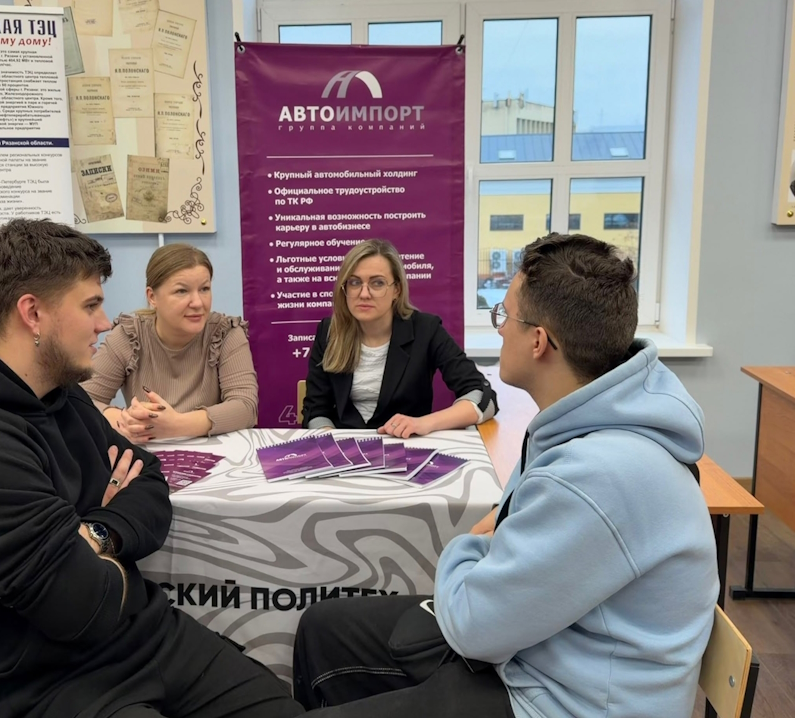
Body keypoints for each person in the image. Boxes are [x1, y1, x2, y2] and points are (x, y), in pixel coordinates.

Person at [0, 219, 302, 718]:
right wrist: (102, 536)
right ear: (33, 313)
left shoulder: (60, 396)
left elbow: (150, 483)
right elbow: (84, 605)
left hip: (139, 638)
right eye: (90, 306)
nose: (104, 323)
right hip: (29, 684)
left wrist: (93, 533)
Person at [292, 233, 718, 718]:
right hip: (540, 656)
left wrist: (470, 544)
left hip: (557, 699)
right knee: (324, 626)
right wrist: (496, 535)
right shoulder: (579, 426)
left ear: (538, 341)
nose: (499, 331)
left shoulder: (595, 476)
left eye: (505, 316)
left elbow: (473, 623)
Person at [301, 239, 496, 437]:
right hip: (344, 448)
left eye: (377, 283)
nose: (364, 294)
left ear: (397, 290)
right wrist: (330, 441)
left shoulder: (426, 330)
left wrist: (425, 423)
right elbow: (315, 410)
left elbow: (484, 398)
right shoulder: (329, 332)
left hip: (407, 446)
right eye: (355, 282)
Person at [83, 243, 257, 443]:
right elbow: (82, 400)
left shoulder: (226, 333)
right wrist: (124, 420)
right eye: (182, 291)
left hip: (214, 451)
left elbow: (245, 407)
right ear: (152, 297)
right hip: (147, 450)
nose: (198, 303)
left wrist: (177, 425)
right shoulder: (129, 335)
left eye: (204, 289)